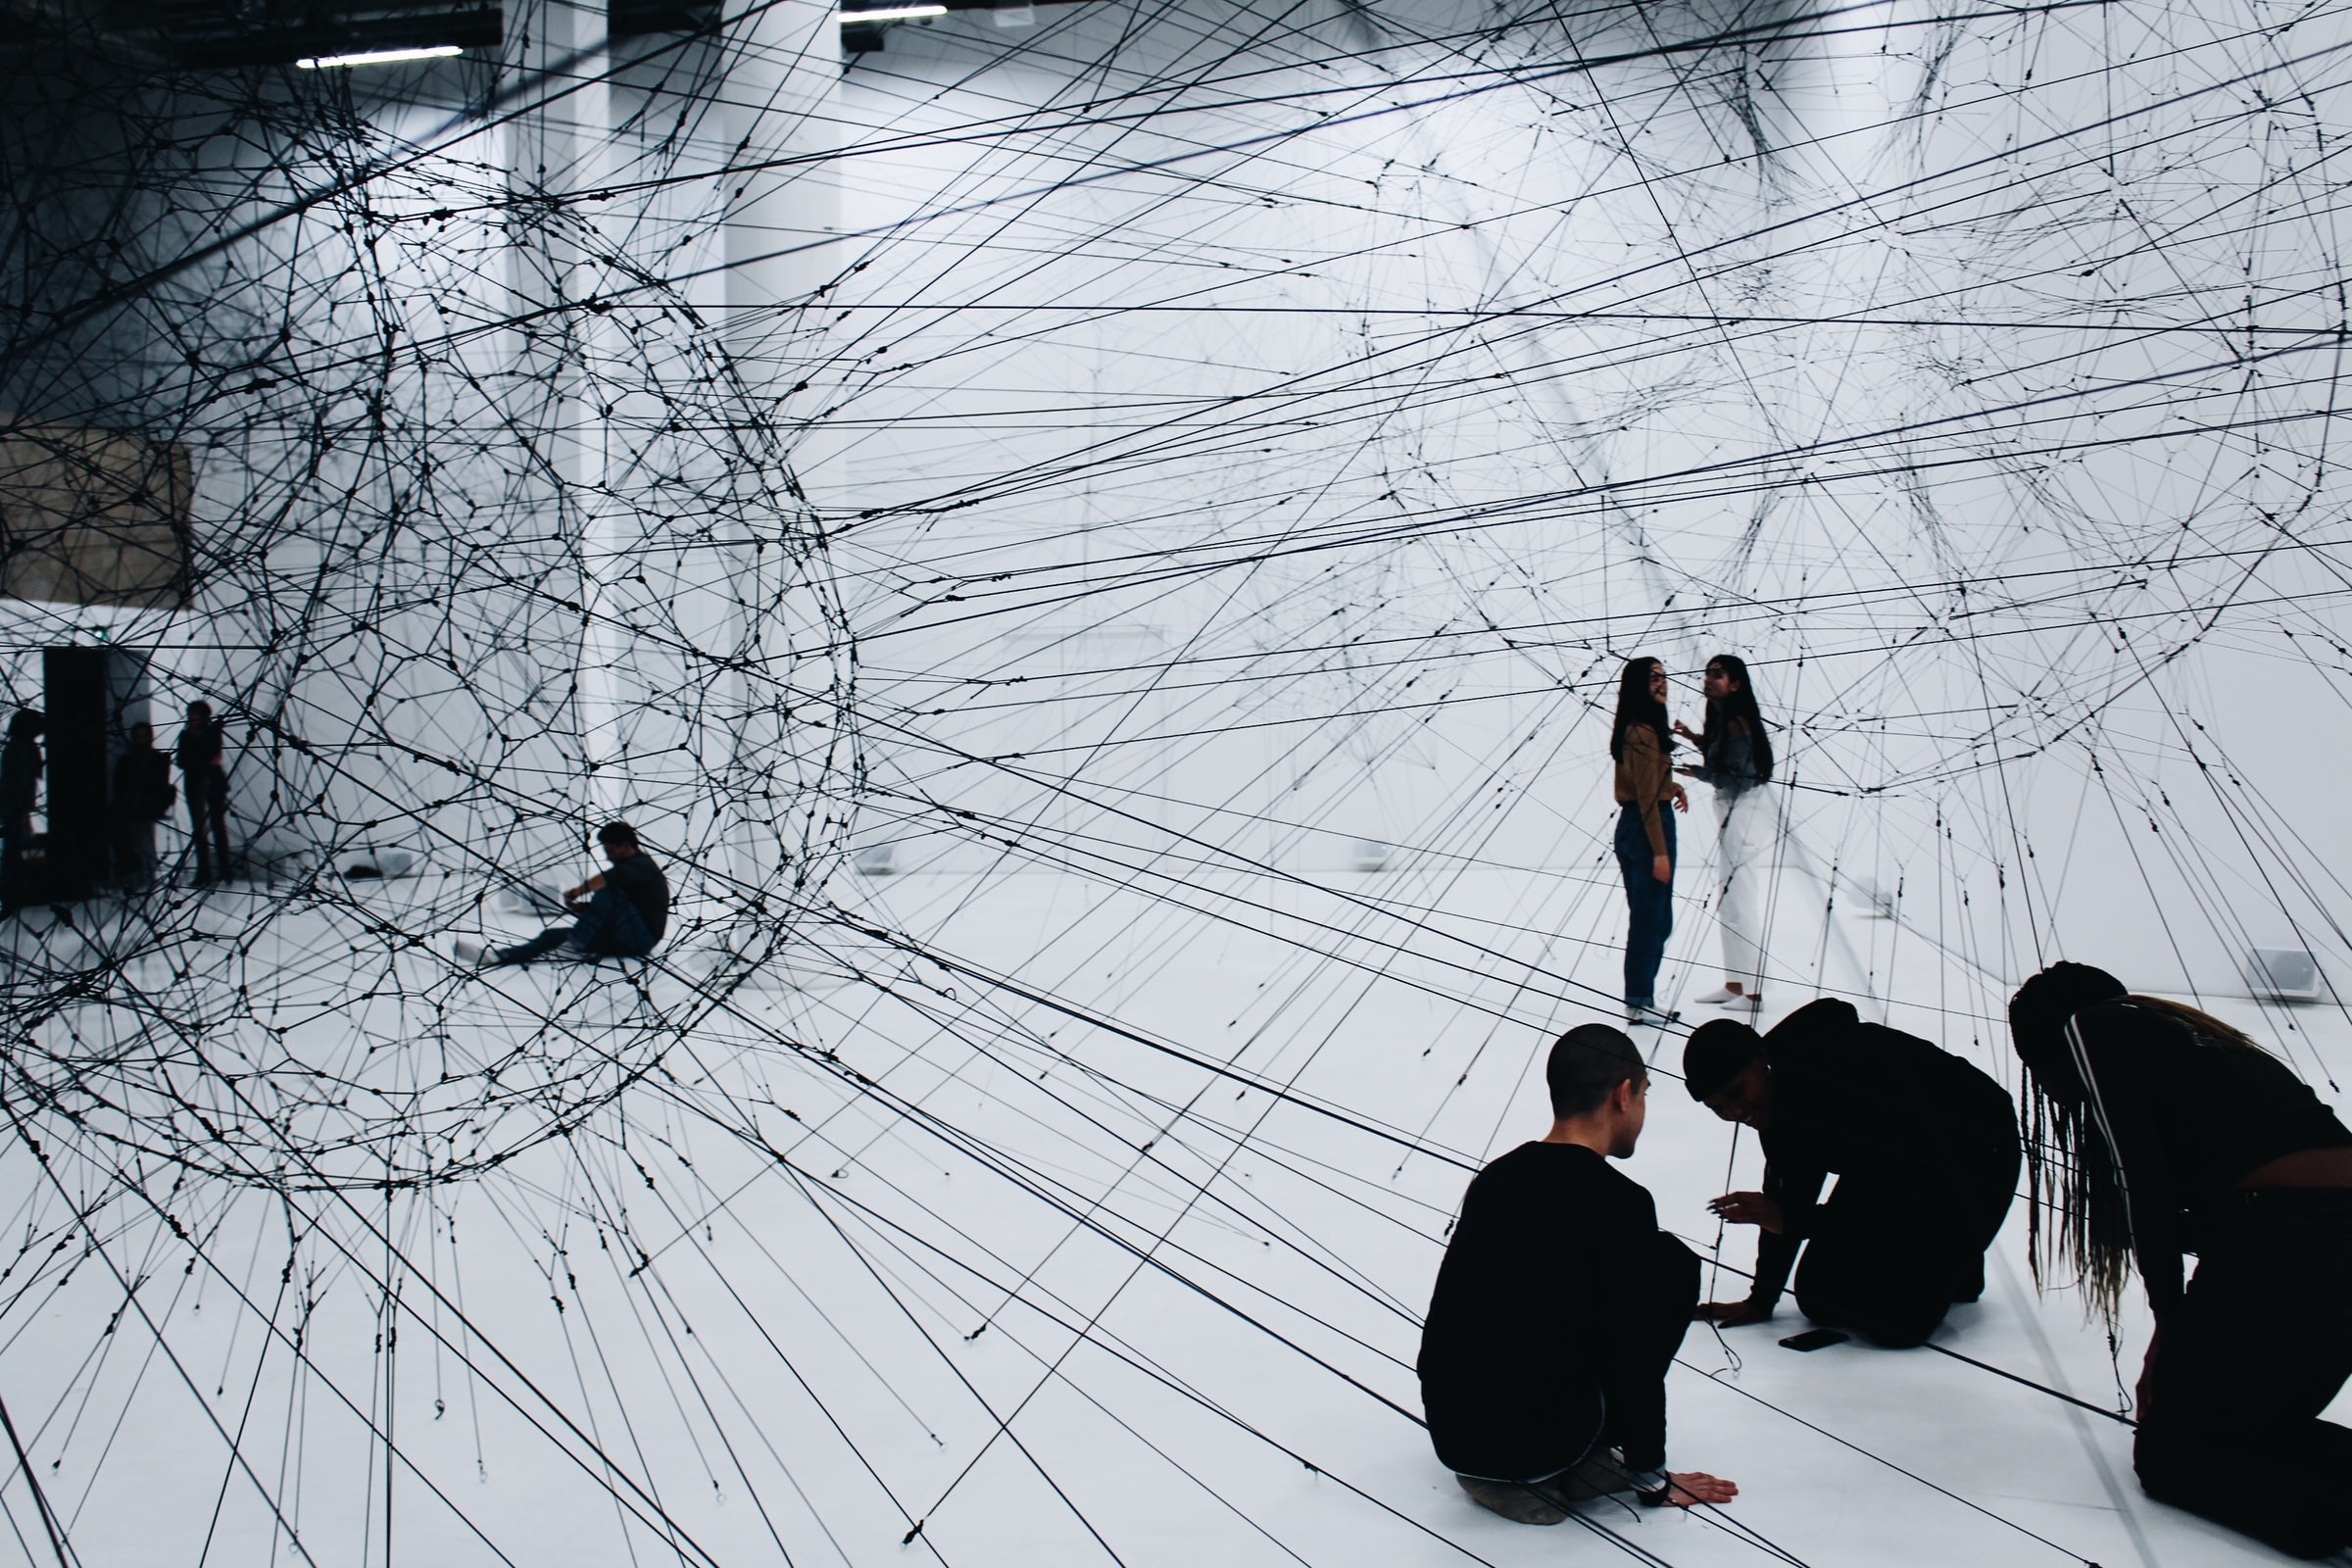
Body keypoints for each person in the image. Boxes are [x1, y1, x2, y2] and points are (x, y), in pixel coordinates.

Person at [2008, 962, 2352, 1559]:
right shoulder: (2192, 1036)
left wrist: (2171, 1320)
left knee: (2169, 1454)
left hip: (2292, 1233)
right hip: (2313, 1235)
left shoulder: (2091, 1028)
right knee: (2256, 1428)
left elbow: (2140, 1177)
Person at [1418, 1023, 1738, 1525]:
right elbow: (1630, 1352)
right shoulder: (1621, 1203)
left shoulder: (1496, 1178)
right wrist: (1649, 1476)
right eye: (1646, 1096)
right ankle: (1543, 1463)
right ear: (1624, 1095)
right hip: (1524, 1435)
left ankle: (1532, 1463)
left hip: (1456, 1428)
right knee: (1672, 1264)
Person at [1684, 999, 2021, 1348]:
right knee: (1820, 1298)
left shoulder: (1842, 1074)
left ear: (1761, 1061)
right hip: (1892, 1169)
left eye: (1738, 1091)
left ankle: (1956, 1254)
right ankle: (1945, 1258)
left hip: (1977, 1155)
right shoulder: (1775, 1103)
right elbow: (1789, 1195)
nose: (1737, 1111)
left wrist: (1789, 1220)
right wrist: (1761, 1299)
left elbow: (1900, 1196)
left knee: (1895, 1325)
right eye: (1719, 1108)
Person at [1673, 655, 1774, 1007]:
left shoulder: (1738, 723)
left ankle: (1754, 990)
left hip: (1744, 810)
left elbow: (1732, 775)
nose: (1709, 679)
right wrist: (1692, 737)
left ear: (1736, 684)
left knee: (1739, 900)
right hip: (1732, 809)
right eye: (1707, 674)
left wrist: (1693, 773)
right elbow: (1721, 757)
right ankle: (1735, 985)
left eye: (1718, 675)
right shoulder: (1723, 720)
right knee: (1729, 900)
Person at [1610, 658, 1689, 1026]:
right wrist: (1659, 851)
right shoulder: (1641, 731)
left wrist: (1672, 785)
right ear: (1638, 686)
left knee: (1655, 919)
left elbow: (1645, 784)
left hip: (1642, 822)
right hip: (1647, 827)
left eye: (1663, 677)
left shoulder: (1644, 730)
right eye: (1653, 678)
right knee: (1650, 921)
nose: (1662, 683)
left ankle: (1642, 998)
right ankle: (1638, 1002)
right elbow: (1644, 799)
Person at [475, 821, 669, 965]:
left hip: (641, 940)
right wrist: (586, 910)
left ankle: (578, 941)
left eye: (611, 851)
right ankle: (502, 956)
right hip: (625, 936)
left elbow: (607, 880)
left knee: (610, 890)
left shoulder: (642, 866)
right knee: (551, 935)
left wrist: (578, 891)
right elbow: (619, 909)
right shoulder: (632, 869)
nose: (609, 857)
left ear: (625, 845)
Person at [174, 700, 232, 885]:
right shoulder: (186, 735)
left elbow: (212, 756)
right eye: (190, 714)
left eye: (195, 714)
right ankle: (204, 872)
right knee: (200, 829)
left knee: (218, 827)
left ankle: (225, 870)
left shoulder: (211, 732)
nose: (191, 718)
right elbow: (182, 760)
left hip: (212, 783)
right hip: (194, 783)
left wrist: (195, 758)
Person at [110, 721, 173, 887]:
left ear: (150, 738)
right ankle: (128, 859)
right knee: (114, 815)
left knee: (120, 817)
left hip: (151, 804)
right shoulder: (125, 760)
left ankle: (128, 861)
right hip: (130, 803)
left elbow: (161, 786)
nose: (141, 741)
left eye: (144, 737)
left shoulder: (159, 759)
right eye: (138, 737)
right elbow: (118, 787)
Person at [1, 710, 44, 915]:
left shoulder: (18, 748)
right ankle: (20, 892)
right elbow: (19, 783)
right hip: (16, 810)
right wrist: (23, 812)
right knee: (22, 849)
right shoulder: (21, 750)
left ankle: (18, 893)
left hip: (16, 809)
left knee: (19, 848)